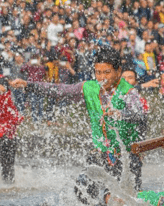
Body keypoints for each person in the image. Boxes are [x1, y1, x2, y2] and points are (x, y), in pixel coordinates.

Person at [10, 46, 147, 192]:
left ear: (118, 71)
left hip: (126, 158)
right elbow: (60, 91)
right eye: (98, 73)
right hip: (100, 154)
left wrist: (120, 114)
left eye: (107, 72)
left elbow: (139, 114)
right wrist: (29, 85)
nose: (102, 77)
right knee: (81, 190)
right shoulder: (89, 87)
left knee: (127, 199)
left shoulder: (128, 92)